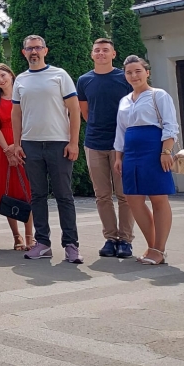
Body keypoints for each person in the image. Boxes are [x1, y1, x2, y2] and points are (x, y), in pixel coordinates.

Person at [11, 35, 82, 263]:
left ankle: (71, 245)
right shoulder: (20, 79)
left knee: (64, 196)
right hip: (31, 144)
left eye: (38, 48)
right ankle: (42, 243)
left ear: (45, 51)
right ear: (24, 53)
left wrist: (73, 142)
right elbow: (16, 113)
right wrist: (17, 143)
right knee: (38, 196)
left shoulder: (60, 75)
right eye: (29, 48)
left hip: (58, 143)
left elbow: (74, 110)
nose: (34, 52)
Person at [114, 56, 179, 266]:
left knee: (158, 198)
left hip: (154, 149)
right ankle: (151, 246)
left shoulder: (158, 95)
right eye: (129, 72)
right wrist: (118, 157)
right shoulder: (124, 100)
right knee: (133, 199)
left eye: (137, 71)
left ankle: (159, 249)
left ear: (147, 72)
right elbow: (121, 131)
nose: (133, 76)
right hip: (130, 152)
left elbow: (170, 125)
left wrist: (166, 151)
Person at [77, 38, 134, 258]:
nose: (101, 53)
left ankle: (126, 240)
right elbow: (85, 113)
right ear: (92, 54)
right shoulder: (84, 80)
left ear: (113, 54)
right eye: (97, 50)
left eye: (105, 50)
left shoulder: (123, 77)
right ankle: (110, 238)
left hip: (122, 144)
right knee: (102, 195)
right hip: (94, 143)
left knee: (125, 195)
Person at [0, 63, 34, 251]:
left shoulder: (24, 94)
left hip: (23, 144)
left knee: (27, 192)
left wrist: (18, 145)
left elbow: (30, 119)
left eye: (3, 75)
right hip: (2, 148)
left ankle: (30, 236)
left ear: (11, 74)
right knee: (9, 193)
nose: (1, 80)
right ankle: (17, 237)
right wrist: (8, 151)